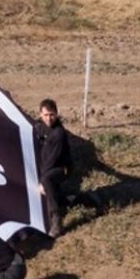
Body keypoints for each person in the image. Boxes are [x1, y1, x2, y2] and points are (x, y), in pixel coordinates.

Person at [35, 98, 101, 238]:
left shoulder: (59, 133)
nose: (49, 118)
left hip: (62, 168)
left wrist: (41, 181)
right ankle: (78, 199)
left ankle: (56, 221)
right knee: (54, 194)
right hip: (49, 166)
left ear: (57, 114)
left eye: (52, 114)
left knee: (47, 181)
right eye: (46, 115)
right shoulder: (41, 127)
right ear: (40, 114)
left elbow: (52, 161)